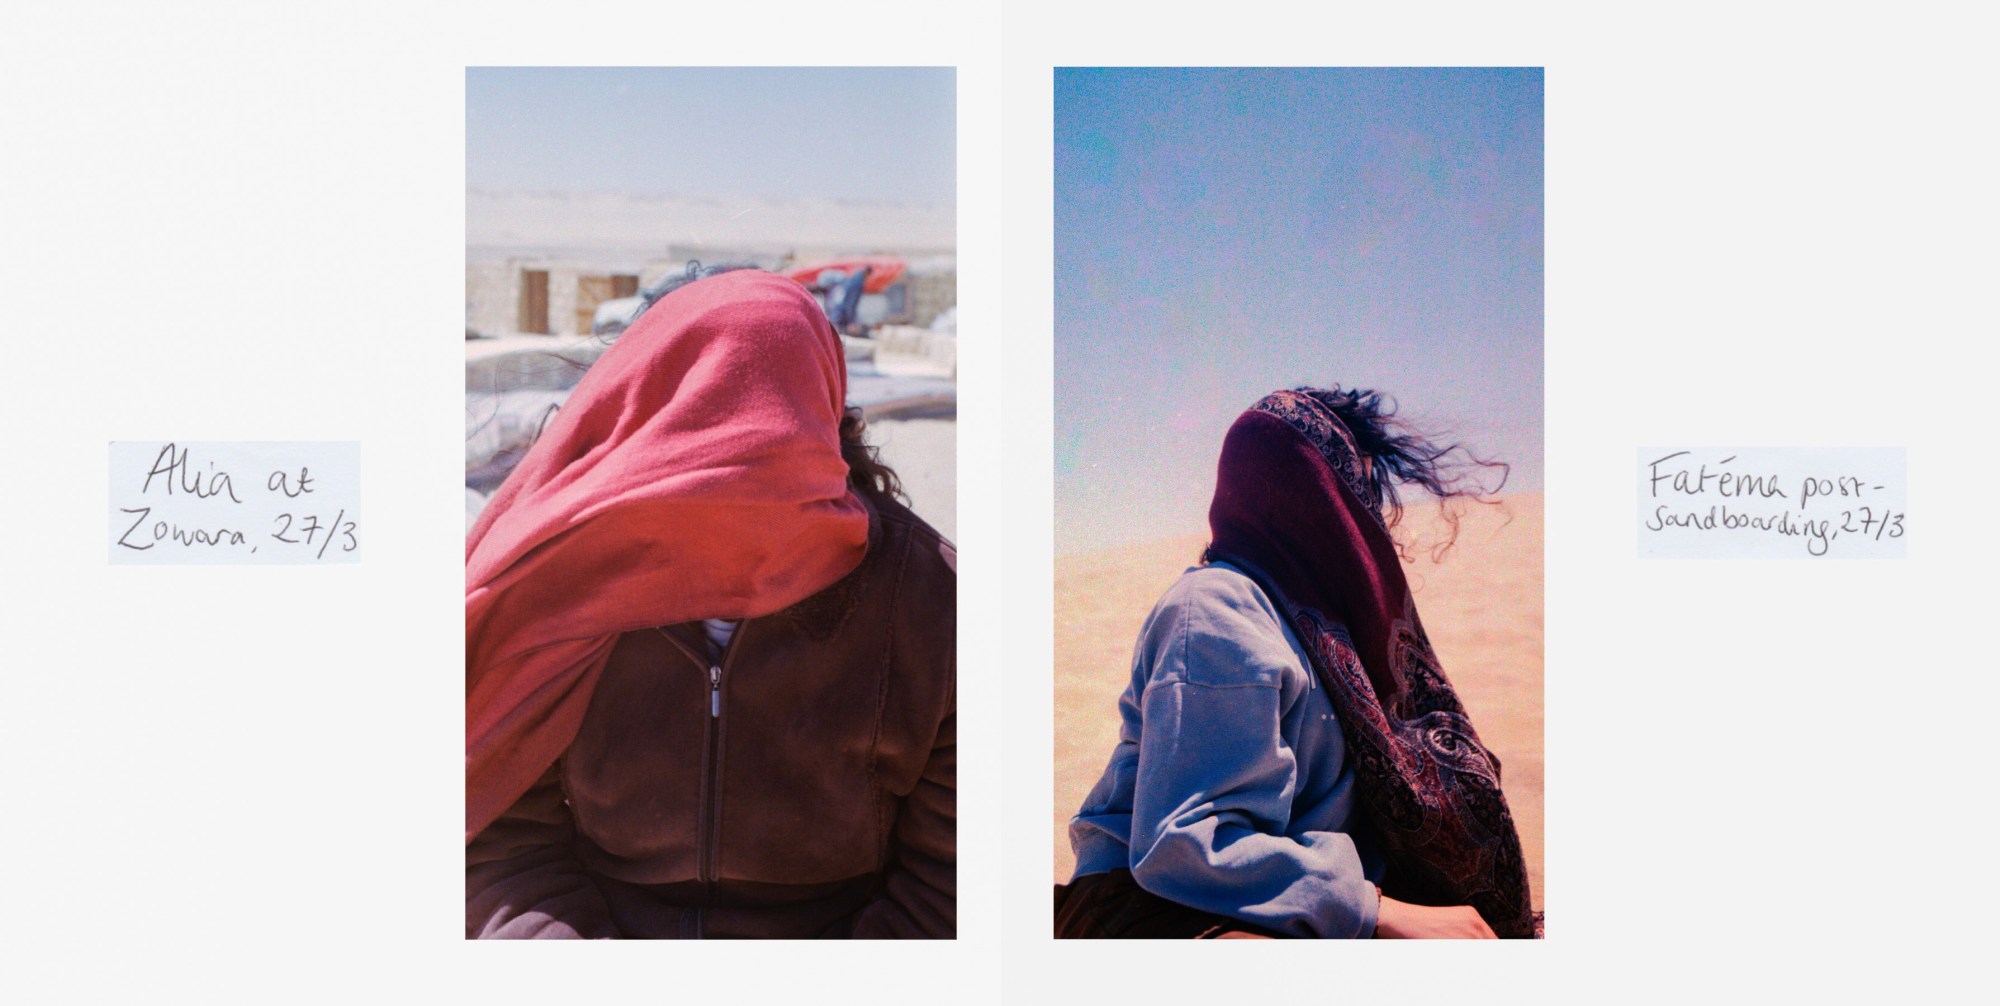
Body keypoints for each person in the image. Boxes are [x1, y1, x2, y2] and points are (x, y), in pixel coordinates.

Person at [465, 269, 955, 939]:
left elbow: (949, 880)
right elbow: (505, 841)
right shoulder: (556, 582)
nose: (735, 449)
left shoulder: (930, 602)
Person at [1055, 387, 1540, 939]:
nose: (1367, 519)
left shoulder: (1334, 639)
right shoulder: (1219, 611)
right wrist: (1378, 912)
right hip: (1149, 905)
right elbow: (1182, 844)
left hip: (1286, 903)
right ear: (1304, 498)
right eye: (1349, 492)